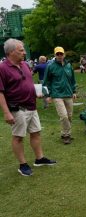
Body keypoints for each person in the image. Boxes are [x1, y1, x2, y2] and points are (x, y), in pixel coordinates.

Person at [0, 38, 56, 176]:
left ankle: (39, 158)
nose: (24, 52)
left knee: (36, 132)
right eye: (21, 50)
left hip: (32, 106)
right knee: (18, 137)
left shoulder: (24, 65)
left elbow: (27, 83)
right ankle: (23, 164)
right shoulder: (2, 68)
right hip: (18, 109)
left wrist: (35, 92)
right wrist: (6, 112)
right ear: (11, 52)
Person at [43, 46, 77, 145]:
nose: (59, 55)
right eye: (57, 54)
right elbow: (46, 81)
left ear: (64, 54)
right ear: (55, 55)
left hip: (68, 93)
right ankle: (66, 135)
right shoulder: (50, 66)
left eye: (61, 54)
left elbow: (73, 80)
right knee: (64, 116)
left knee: (69, 116)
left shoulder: (68, 66)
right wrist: (48, 95)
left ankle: (65, 132)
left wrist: (74, 91)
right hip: (57, 94)